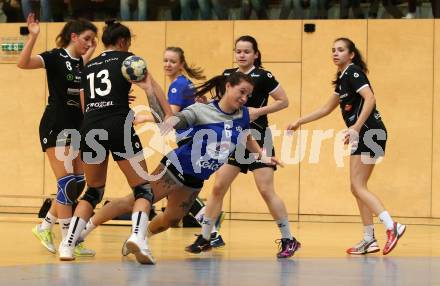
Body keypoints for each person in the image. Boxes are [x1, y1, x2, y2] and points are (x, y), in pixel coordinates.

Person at [73, 71, 282, 262]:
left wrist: (262, 156)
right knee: (133, 201)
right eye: (242, 92)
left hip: (196, 179)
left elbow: (245, 135)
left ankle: (139, 238)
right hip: (176, 168)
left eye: (248, 95)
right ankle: (82, 233)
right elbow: (169, 122)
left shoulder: (243, 115)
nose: (245, 98)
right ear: (228, 86)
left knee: (172, 219)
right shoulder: (201, 111)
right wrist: (151, 91)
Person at [56, 20, 172, 264]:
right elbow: (154, 92)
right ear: (122, 42)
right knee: (143, 189)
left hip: (89, 129)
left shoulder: (88, 66)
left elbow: (84, 104)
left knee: (93, 191)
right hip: (119, 125)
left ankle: (67, 244)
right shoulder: (128, 60)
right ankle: (138, 237)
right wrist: (164, 111)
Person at [286, 37, 406, 255]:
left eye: (340, 50)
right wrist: (299, 122)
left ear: (351, 54)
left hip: (370, 132)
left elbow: (370, 98)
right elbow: (326, 108)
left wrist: (357, 127)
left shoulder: (353, 72)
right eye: (333, 50)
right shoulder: (343, 78)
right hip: (365, 134)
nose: (335, 53)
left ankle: (392, 226)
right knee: (356, 186)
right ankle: (369, 239)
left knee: (358, 186)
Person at [186, 35, 300, 259]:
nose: (242, 55)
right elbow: (222, 103)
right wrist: (206, 104)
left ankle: (289, 238)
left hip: (258, 135)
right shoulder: (230, 75)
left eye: (247, 51)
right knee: (218, 187)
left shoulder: (263, 76)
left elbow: (283, 101)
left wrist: (258, 111)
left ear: (256, 54)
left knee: (266, 190)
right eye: (238, 51)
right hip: (236, 136)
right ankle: (206, 237)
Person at [17, 14, 97, 257]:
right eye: (86, 39)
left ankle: (44, 226)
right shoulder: (55, 57)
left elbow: (81, 72)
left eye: (93, 40)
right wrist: (33, 36)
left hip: (77, 126)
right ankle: (68, 240)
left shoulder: (80, 63)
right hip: (56, 126)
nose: (89, 44)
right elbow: (23, 63)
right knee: (67, 183)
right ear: (73, 37)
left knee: (80, 182)